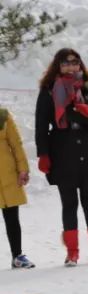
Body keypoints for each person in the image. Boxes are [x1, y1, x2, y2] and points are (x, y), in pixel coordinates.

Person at [35, 47, 88, 267]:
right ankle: (72, 252)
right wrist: (43, 154)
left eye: (74, 62)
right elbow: (41, 126)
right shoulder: (49, 91)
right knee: (69, 204)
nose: (70, 66)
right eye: (65, 63)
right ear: (58, 66)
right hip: (62, 153)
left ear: (80, 64)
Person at [0, 106, 33, 269]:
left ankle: (17, 256)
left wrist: (23, 169)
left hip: (7, 176)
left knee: (12, 217)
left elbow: (16, 144)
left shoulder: (3, 115)